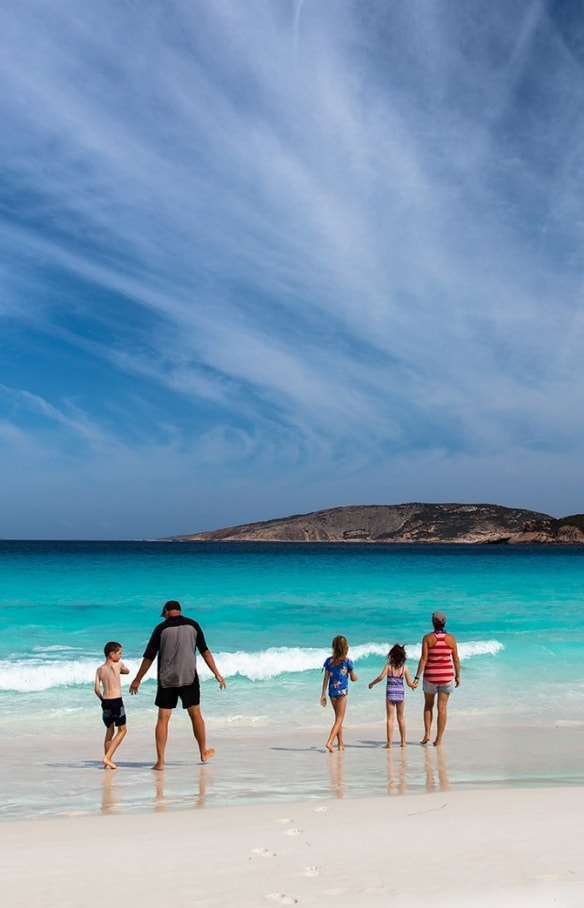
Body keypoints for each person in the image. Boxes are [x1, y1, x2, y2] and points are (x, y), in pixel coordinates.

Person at [129, 600, 226, 769]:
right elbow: (205, 652)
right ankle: (203, 751)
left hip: (167, 679)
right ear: (179, 611)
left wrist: (137, 679)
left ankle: (160, 761)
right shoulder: (194, 625)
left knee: (163, 718)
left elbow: (149, 657)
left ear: (167, 612)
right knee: (195, 714)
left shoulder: (161, 629)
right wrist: (216, 673)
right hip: (188, 677)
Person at [412, 611, 461, 746]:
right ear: (445, 623)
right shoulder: (451, 639)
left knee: (428, 706)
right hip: (446, 677)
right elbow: (456, 659)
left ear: (432, 623)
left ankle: (427, 734)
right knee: (442, 708)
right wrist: (458, 676)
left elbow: (424, 659)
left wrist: (417, 677)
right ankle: (438, 739)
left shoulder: (427, 638)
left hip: (430, 677)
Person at [368, 643, 416, 747]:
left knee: (390, 719)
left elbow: (381, 677)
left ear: (391, 655)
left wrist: (372, 683)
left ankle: (389, 743)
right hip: (400, 695)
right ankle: (403, 742)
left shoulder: (388, 666)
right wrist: (414, 685)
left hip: (390, 694)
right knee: (401, 718)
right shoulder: (405, 668)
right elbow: (409, 683)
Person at [94, 641, 130, 769]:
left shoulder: (100, 669)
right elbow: (127, 671)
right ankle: (107, 757)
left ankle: (107, 762)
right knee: (122, 730)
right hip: (116, 701)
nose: (120, 656)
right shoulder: (118, 665)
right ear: (111, 654)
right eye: (119, 653)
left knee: (109, 730)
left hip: (105, 702)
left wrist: (102, 699)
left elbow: (97, 689)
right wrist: (122, 666)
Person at [320, 635, 358, 752]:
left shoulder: (329, 661)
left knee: (338, 718)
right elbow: (353, 678)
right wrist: (355, 676)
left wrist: (323, 694)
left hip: (332, 692)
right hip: (342, 692)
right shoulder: (348, 662)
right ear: (345, 647)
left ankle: (340, 743)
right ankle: (330, 742)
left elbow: (325, 679)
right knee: (340, 719)